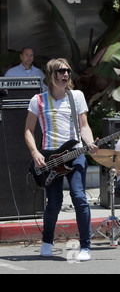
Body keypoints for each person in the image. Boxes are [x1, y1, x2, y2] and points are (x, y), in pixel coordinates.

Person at [24, 58, 99, 261]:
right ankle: (47, 242)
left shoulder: (76, 97)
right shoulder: (37, 100)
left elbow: (84, 127)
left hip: (74, 154)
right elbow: (28, 131)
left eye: (68, 70)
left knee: (79, 198)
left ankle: (85, 247)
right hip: (50, 158)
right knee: (54, 204)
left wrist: (90, 143)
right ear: (51, 75)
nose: (66, 74)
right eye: (61, 71)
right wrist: (35, 153)